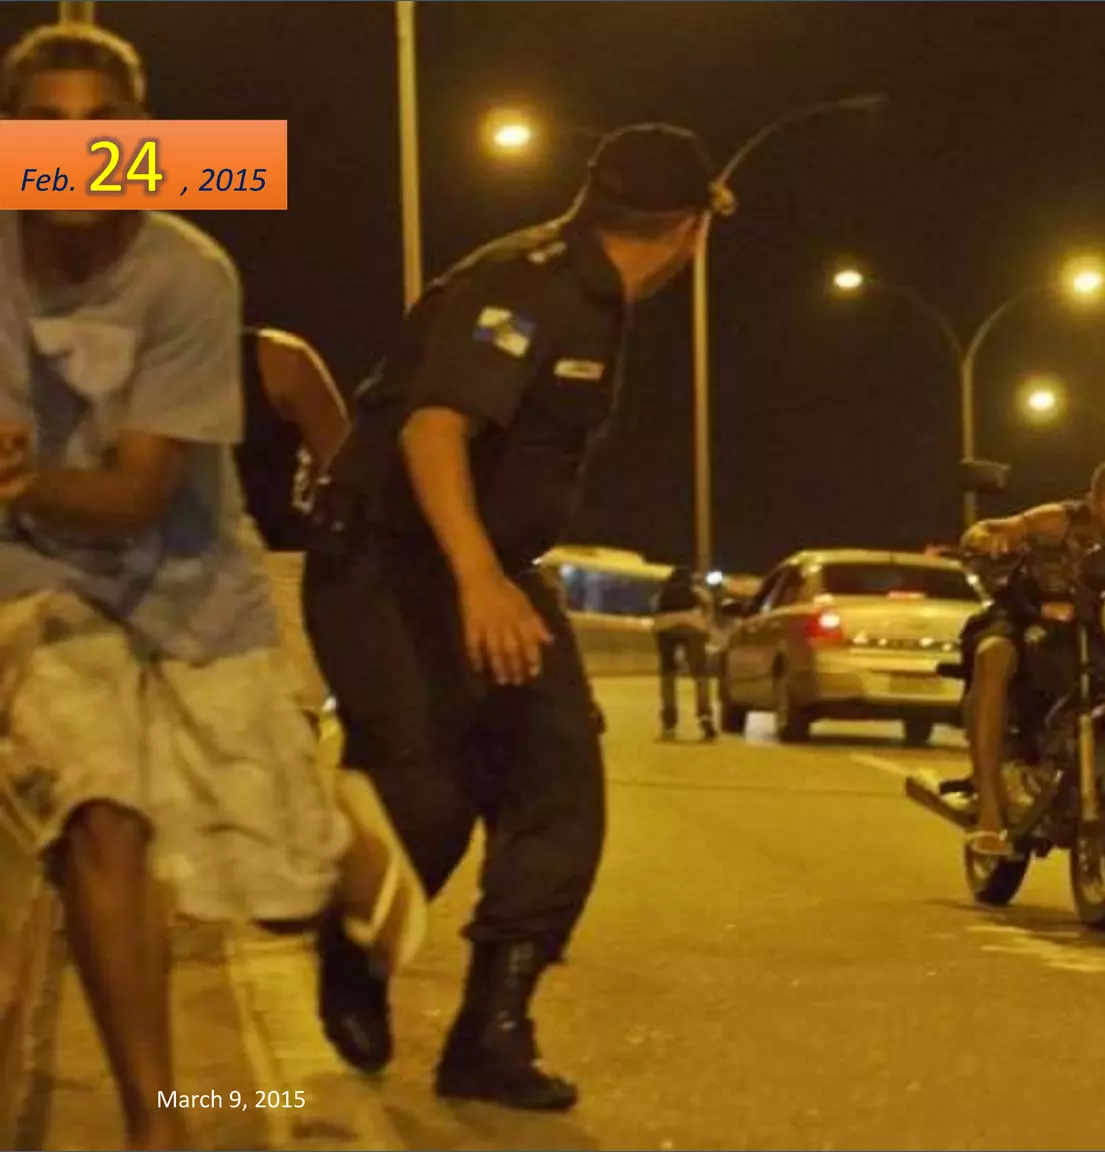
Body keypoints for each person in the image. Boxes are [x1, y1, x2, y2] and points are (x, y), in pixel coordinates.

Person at [0, 25, 423, 1148]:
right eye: (43, 131)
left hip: (193, 587)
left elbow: (138, 496)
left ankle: (344, 867)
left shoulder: (191, 276)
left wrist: (27, 475)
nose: (72, 157)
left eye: (103, 132)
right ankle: (160, 1125)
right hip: (41, 583)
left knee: (271, 867)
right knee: (100, 810)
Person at [303, 122, 726, 1111]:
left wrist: (494, 574)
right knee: (429, 786)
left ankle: (491, 1033)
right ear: (688, 233)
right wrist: (478, 579)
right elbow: (434, 425)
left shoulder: (597, 295)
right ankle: (352, 948)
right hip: (386, 557)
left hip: (484, 560)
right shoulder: (526, 282)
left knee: (558, 782)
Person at [954, 456, 1105, 857]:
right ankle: (988, 810)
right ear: (1095, 502)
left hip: (1100, 628)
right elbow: (994, 529)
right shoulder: (1059, 521)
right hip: (1029, 616)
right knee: (994, 654)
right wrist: (986, 537)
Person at [236, 325, 350, 723]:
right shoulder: (132, 367)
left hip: (274, 566)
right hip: (165, 573)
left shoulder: (279, 361)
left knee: (291, 729)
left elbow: (343, 472)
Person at [652, 565, 717, 741]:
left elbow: (655, 614)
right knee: (700, 674)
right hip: (694, 627)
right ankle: (705, 717)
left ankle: (669, 724)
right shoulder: (698, 593)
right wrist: (707, 633)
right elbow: (708, 613)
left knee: (668, 675)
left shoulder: (663, 593)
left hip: (665, 629)